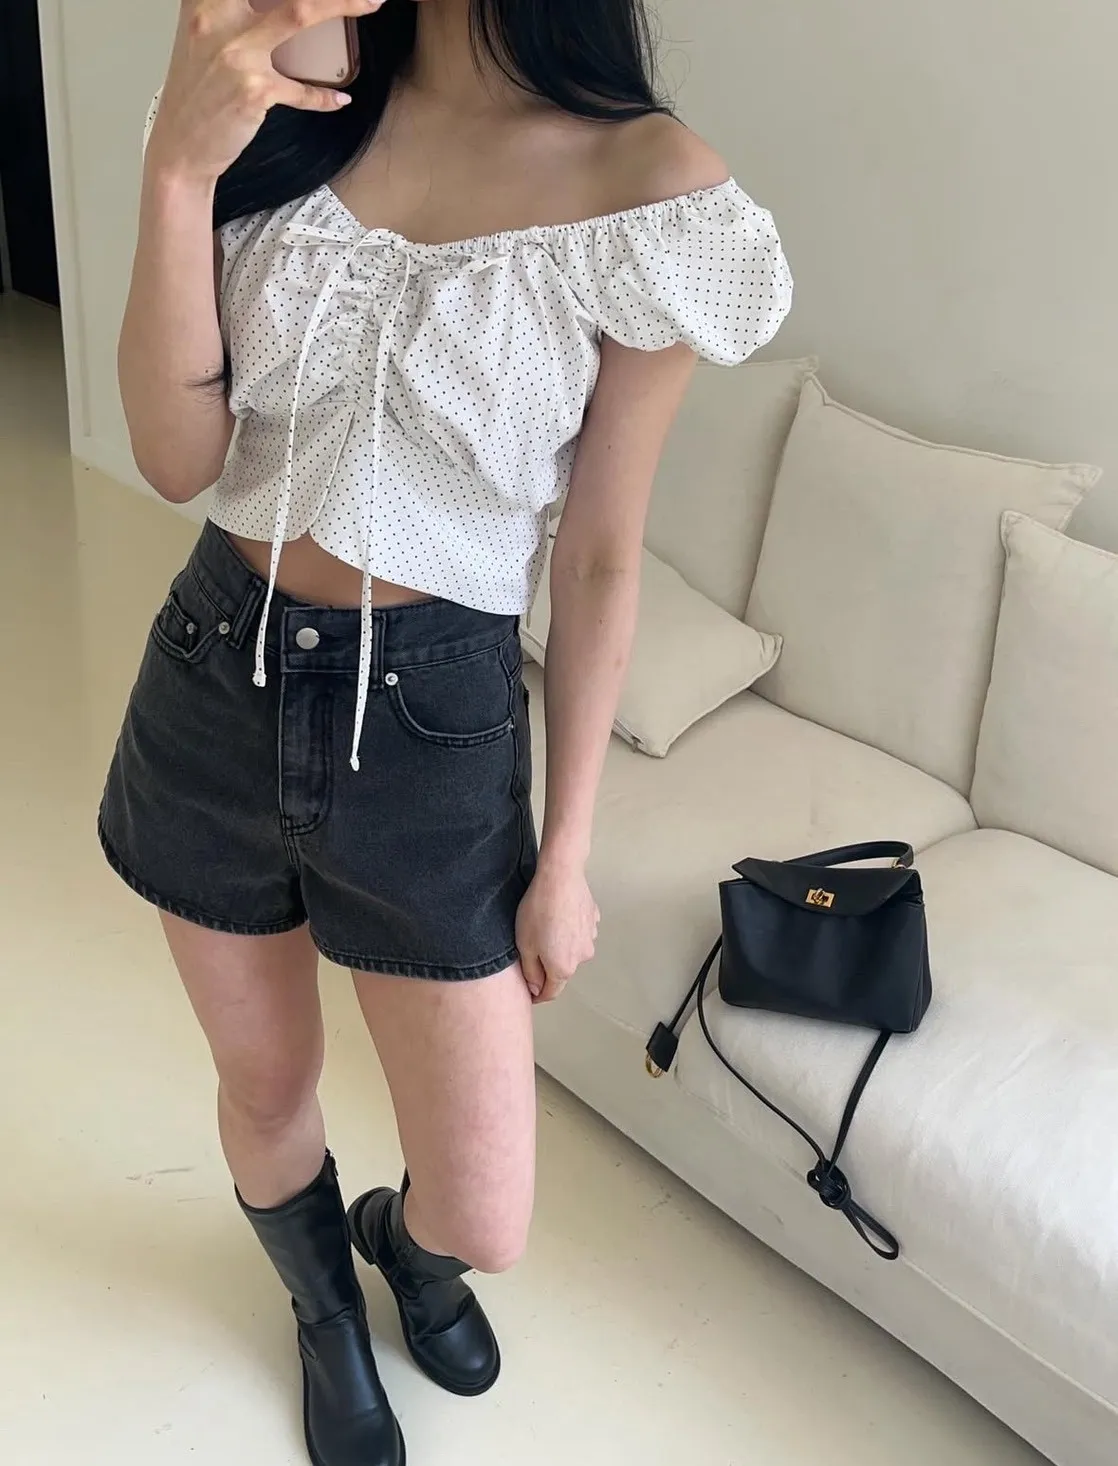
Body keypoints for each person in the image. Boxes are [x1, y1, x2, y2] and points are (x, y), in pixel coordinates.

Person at [101, 1, 791, 1462]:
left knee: (486, 1212)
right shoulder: (292, 94)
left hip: (434, 720)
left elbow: (597, 558)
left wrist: (568, 853)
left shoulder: (649, 189)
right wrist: (177, 171)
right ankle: (321, 1310)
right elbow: (176, 457)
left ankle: (405, 1251)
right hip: (218, 672)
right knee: (265, 1085)